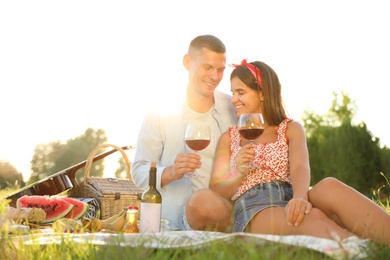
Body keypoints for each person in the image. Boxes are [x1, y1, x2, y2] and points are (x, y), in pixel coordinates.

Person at [209, 59, 390, 245]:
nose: (233, 99)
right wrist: (238, 173)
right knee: (312, 218)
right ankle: (368, 253)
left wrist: (300, 196)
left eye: (241, 92)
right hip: (255, 208)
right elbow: (215, 191)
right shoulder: (229, 138)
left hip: (293, 195)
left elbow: (299, 166)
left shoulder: (290, 128)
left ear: (262, 94)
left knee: (329, 186)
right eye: (233, 93)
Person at [131, 35, 236, 231]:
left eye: (220, 69)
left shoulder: (233, 108)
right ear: (187, 62)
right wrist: (170, 172)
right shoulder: (160, 111)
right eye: (207, 67)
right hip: (169, 224)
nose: (214, 76)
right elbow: (139, 171)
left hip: (219, 221)